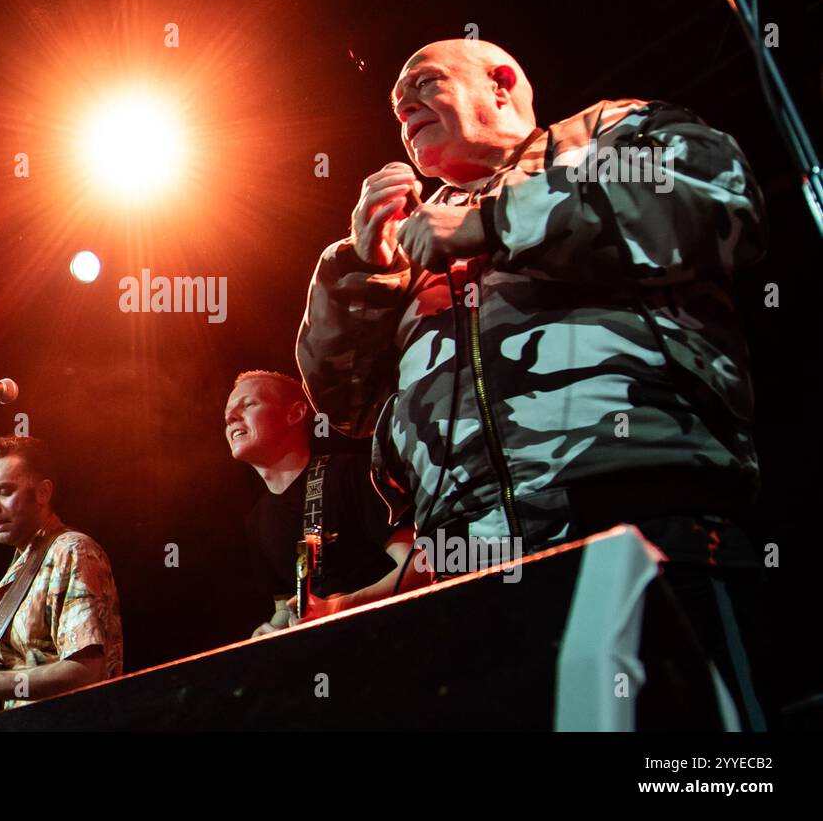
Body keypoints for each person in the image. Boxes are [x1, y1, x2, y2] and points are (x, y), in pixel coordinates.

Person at [296, 38, 768, 727]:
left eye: (424, 84)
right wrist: (364, 270)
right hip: (464, 570)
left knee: (691, 761)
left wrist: (492, 218)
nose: (405, 108)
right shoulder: (412, 247)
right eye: (398, 107)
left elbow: (715, 198)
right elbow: (345, 404)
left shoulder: (602, 133)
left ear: (501, 82)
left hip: (639, 522)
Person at [0, 436, 122, 717]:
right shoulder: (21, 567)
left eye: (3, 490)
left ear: (43, 493)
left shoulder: (71, 551)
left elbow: (87, 672)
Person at [225, 370, 426, 638]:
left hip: (396, 638)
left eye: (248, 404)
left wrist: (341, 606)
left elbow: (421, 565)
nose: (230, 417)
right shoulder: (257, 522)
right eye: (228, 412)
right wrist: (273, 629)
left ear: (294, 414)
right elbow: (287, 605)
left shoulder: (350, 474)